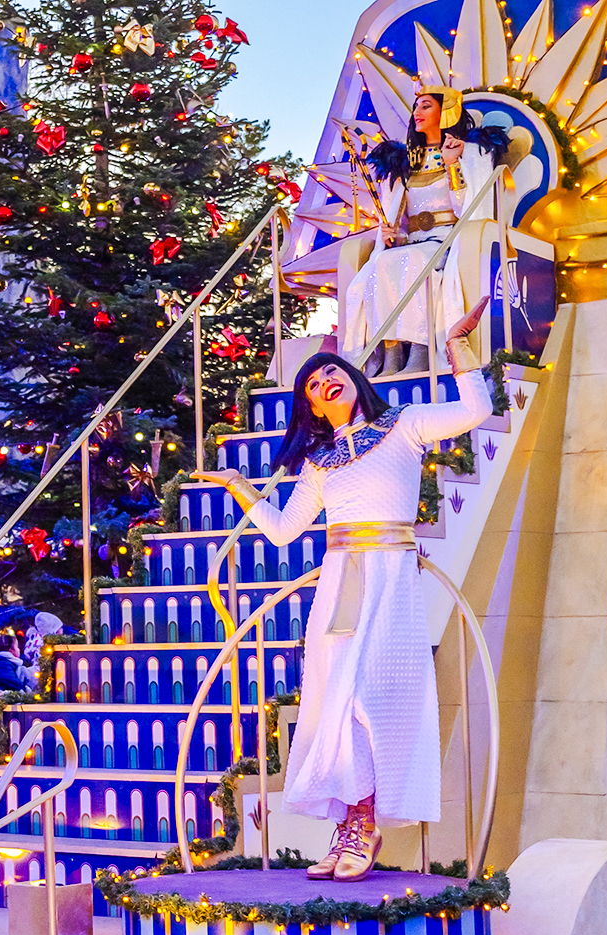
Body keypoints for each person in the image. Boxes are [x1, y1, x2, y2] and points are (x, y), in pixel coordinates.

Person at [194, 296, 492, 882]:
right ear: (309, 406)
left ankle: (366, 821)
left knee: (372, 698)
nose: (326, 379)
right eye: (313, 383)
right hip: (338, 586)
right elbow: (283, 533)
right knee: (335, 705)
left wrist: (457, 347)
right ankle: (353, 822)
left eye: (332, 370)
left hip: (391, 577)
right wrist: (240, 487)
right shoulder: (318, 462)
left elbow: (476, 408)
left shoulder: (404, 423)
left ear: (352, 379)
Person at [341, 87, 507, 374]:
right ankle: (392, 355)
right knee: (381, 262)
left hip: (447, 240)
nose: (416, 113)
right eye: (416, 107)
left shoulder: (469, 152)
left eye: (426, 106)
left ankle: (419, 352)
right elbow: (399, 216)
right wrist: (393, 232)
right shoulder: (405, 160)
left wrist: (453, 164)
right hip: (413, 242)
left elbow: (465, 209)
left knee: (416, 262)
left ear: (446, 112)